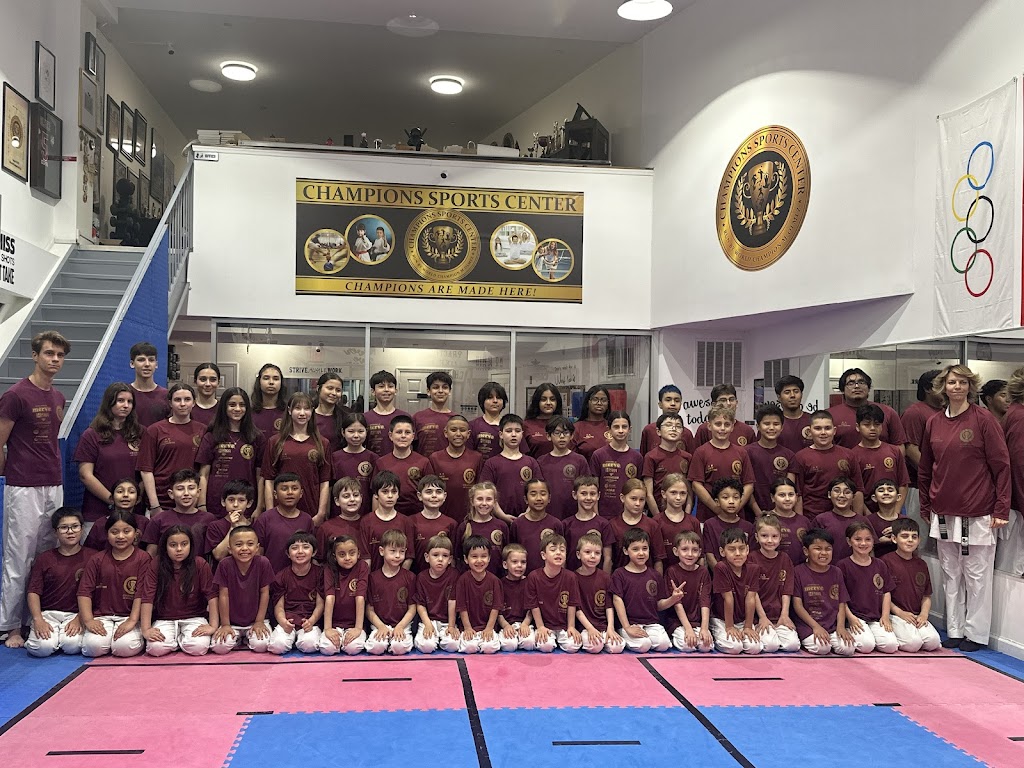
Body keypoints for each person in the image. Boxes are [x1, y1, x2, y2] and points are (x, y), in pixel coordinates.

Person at [918, 364, 1010, 652]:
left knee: (977, 575)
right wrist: (925, 504)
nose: (956, 387)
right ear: (943, 387)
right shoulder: (934, 422)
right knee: (951, 573)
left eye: (962, 382)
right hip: (943, 509)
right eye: (951, 382)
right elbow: (925, 468)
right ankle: (955, 629)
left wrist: (1001, 509)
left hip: (978, 510)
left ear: (970, 387)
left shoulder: (984, 420)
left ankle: (976, 634)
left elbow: (1002, 466)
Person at [0, 330, 69, 648]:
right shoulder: (15, 395)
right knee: (19, 558)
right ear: (35, 355)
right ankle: (10, 625)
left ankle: (35, 619)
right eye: (49, 353)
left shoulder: (58, 397)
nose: (55, 359)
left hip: (53, 483)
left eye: (60, 355)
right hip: (23, 486)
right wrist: (9, 475)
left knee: (46, 555)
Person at [24, 508, 97, 657]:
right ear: (55, 532)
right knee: (42, 648)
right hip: (49, 614)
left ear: (82, 529)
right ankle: (42, 637)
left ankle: (60, 639)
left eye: (75, 526)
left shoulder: (93, 557)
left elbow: (97, 593)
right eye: (64, 528)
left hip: (76, 614)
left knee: (72, 646)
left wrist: (80, 617)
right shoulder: (45, 558)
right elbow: (33, 591)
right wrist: (38, 619)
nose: (70, 531)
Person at [78, 509, 151, 657]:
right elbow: (84, 592)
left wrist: (132, 620)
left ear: (136, 533)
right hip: (102, 616)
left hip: (130, 616)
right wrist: (89, 620)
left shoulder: (143, 558)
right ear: (107, 534)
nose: (121, 536)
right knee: (93, 647)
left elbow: (141, 593)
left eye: (126, 531)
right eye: (114, 532)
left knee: (124, 648)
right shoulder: (97, 559)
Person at [138, 525, 218, 657]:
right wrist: (146, 629)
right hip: (165, 619)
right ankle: (176, 641)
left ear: (191, 545)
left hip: (194, 618)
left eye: (184, 544)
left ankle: (178, 641)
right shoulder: (156, 564)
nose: (179, 549)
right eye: (173, 545)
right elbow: (147, 597)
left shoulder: (200, 564)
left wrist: (213, 626)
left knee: (198, 648)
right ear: (165, 547)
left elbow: (212, 596)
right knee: (155, 648)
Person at [75, 382, 143, 535]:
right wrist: (113, 500)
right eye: (120, 401)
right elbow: (85, 475)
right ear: (109, 403)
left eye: (130, 401)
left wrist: (134, 499)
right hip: (98, 511)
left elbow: (146, 470)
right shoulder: (92, 434)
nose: (125, 405)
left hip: (133, 512)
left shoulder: (140, 433)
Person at [197, 387, 266, 519]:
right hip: (216, 502)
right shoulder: (212, 436)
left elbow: (260, 476)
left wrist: (259, 507)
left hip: (246, 502)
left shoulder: (256, 437)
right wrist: (202, 505)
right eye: (232, 405)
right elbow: (203, 475)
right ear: (224, 407)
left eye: (242, 405)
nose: (237, 409)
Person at [262, 392, 330, 524]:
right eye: (298, 408)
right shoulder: (275, 442)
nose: (302, 413)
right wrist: (270, 512)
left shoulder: (322, 443)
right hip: (280, 511)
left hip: (311, 509)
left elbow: (325, 481)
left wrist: (321, 513)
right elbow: (269, 480)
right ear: (289, 410)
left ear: (312, 411)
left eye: (306, 408)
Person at [137, 383, 205, 514]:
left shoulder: (202, 430)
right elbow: (146, 470)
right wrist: (155, 505)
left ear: (194, 403)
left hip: (192, 502)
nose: (182, 404)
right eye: (177, 400)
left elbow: (204, 471)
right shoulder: (154, 430)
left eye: (187, 399)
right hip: (161, 502)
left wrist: (201, 502)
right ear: (170, 403)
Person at [611, 527, 680, 653]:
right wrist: (627, 627)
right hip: (630, 623)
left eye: (644, 548)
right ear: (626, 551)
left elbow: (658, 605)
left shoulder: (655, 575)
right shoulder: (619, 574)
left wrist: (673, 599)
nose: (641, 553)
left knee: (663, 644)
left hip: (651, 623)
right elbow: (617, 600)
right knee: (644, 645)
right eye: (635, 549)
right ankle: (624, 634)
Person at [836, 521, 898, 654]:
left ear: (873, 541)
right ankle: (854, 632)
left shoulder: (880, 564)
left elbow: (886, 592)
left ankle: (873, 634)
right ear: (849, 541)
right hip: (855, 617)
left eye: (868, 539)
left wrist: (885, 616)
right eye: (858, 539)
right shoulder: (843, 566)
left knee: (891, 646)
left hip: (876, 616)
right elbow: (840, 598)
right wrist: (851, 618)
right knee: (866, 646)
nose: (863, 543)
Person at [880, 518, 942, 652]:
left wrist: (924, 615)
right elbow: (882, 595)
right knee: (913, 644)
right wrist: (900, 613)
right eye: (905, 536)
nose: (910, 540)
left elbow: (926, 595)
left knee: (933, 642)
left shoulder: (921, 564)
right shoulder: (885, 562)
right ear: (894, 539)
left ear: (919, 540)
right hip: (895, 614)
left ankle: (912, 631)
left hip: (916, 615)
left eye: (914, 537)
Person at [791, 529, 855, 656]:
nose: (824, 553)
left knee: (848, 649)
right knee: (822, 648)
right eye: (818, 548)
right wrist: (815, 627)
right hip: (808, 625)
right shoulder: (798, 571)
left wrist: (841, 627)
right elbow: (797, 605)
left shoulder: (836, 572)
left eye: (828, 549)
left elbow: (841, 603)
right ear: (806, 551)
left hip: (831, 624)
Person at [788, 410, 864, 518]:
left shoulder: (848, 455)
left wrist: (858, 520)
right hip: (812, 517)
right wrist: (801, 522)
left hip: (844, 517)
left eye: (827, 428)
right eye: (818, 428)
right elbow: (798, 494)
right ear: (810, 431)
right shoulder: (801, 457)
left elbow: (858, 490)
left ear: (834, 430)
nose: (823, 432)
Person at [211, 525, 274, 654]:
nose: (244, 548)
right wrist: (225, 624)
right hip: (232, 621)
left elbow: (265, 593)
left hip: (256, 620)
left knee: (261, 646)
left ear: (257, 547)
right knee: (219, 647)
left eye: (250, 544)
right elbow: (223, 595)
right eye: (238, 544)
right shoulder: (225, 564)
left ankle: (247, 638)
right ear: (230, 549)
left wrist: (259, 621)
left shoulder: (263, 563)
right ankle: (238, 638)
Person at [688, 404, 754, 523]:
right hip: (708, 515)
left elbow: (748, 484)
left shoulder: (741, 453)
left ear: (732, 427)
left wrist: (737, 507)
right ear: (709, 426)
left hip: (736, 515)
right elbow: (696, 485)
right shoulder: (701, 452)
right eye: (718, 424)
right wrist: (717, 509)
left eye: (727, 424)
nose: (722, 428)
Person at [747, 515, 800, 652]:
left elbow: (787, 590)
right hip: (758, 615)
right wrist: (762, 617)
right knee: (771, 646)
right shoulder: (751, 558)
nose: (770, 540)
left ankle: (777, 630)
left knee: (793, 645)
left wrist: (784, 615)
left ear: (780, 537)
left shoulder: (784, 558)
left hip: (779, 615)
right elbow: (752, 592)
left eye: (774, 536)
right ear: (756, 537)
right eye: (764, 536)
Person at [525, 534, 583, 653]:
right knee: (545, 646)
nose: (558, 553)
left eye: (562, 550)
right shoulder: (533, 577)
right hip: (545, 625)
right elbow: (533, 605)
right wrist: (540, 627)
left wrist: (571, 626)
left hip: (563, 626)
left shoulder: (571, 577)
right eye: (553, 550)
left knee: (573, 646)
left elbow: (572, 604)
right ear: (543, 555)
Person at [267, 531, 323, 655]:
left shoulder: (320, 574)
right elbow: (279, 606)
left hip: (310, 621)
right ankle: (292, 638)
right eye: (295, 548)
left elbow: (320, 604)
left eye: (306, 547)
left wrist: (312, 621)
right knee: (277, 647)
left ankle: (298, 639)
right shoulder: (281, 576)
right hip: (288, 620)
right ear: (288, 553)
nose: (300, 551)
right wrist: (283, 622)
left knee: (309, 645)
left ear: (314, 552)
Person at [710, 527, 763, 654]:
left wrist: (748, 626)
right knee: (735, 647)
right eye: (732, 549)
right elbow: (728, 599)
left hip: (742, 619)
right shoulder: (721, 567)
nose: (738, 553)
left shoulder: (753, 569)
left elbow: (751, 598)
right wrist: (729, 627)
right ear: (722, 552)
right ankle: (717, 636)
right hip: (722, 619)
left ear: (747, 550)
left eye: (742, 548)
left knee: (754, 648)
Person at [365, 530, 417, 655]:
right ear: (382, 551)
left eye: (402, 551)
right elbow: (369, 609)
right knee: (376, 648)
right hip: (379, 624)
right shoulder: (372, 578)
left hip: (402, 624)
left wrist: (400, 626)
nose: (398, 555)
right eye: (393, 551)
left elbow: (412, 608)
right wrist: (380, 626)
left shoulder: (410, 577)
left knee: (399, 648)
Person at [481, 414, 542, 521]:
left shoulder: (531, 462)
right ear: (501, 434)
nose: (513, 435)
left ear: (522, 434)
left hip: (528, 518)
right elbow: (486, 493)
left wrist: (527, 513)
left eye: (517, 431)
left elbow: (539, 491)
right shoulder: (491, 463)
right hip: (498, 519)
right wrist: (502, 516)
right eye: (509, 431)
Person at [852, 404, 909, 517]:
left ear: (882, 427)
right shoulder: (853, 455)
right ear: (858, 427)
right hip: (867, 514)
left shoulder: (894, 451)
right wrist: (868, 515)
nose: (872, 428)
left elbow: (903, 484)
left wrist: (896, 512)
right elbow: (856, 491)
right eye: (867, 425)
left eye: (877, 424)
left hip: (894, 512)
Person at [829, 368, 907, 451]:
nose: (857, 386)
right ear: (842, 389)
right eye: (851, 383)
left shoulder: (887, 412)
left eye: (861, 382)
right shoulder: (830, 415)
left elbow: (899, 446)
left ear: (869, 388)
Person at [144, 468, 216, 557]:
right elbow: (151, 554)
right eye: (180, 489)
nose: (186, 493)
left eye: (191, 488)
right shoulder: (159, 519)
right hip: (166, 565)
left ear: (198, 492)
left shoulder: (208, 519)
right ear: (171, 494)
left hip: (198, 565)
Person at [254, 473, 315, 573]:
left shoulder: (307, 520)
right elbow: (258, 554)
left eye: (294, 488)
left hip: (299, 576)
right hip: (271, 576)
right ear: (275, 494)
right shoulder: (264, 519)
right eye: (284, 489)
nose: (290, 492)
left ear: (301, 493)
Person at [373, 415, 433, 516]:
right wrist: (376, 519)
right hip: (389, 515)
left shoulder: (423, 462)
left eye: (407, 432)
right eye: (399, 432)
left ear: (413, 436)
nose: (403, 436)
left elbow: (430, 492)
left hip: (417, 515)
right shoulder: (381, 462)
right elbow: (376, 495)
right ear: (390, 435)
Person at [428, 414, 483, 523]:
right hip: (441, 517)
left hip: (469, 517)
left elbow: (480, 489)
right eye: (453, 430)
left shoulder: (477, 458)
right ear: (445, 433)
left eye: (462, 430)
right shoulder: (435, 458)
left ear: (468, 434)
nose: (458, 434)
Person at [574, 532, 623, 654]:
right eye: (588, 552)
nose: (592, 556)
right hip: (585, 626)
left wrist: (610, 628)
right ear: (578, 554)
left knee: (617, 647)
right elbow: (576, 609)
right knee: (595, 646)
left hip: (603, 625)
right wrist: (590, 628)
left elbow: (609, 606)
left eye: (597, 553)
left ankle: (605, 637)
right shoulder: (573, 578)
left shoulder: (605, 577)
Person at [318, 535, 368, 655]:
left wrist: (358, 628)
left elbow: (360, 597)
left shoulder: (362, 566)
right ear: (334, 556)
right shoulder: (329, 569)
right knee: (327, 649)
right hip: (335, 624)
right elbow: (329, 598)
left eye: (352, 553)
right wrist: (328, 629)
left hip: (354, 623)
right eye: (342, 554)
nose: (347, 558)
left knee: (353, 648)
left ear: (358, 554)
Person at [665, 531, 713, 653]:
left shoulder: (703, 572)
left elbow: (705, 601)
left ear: (700, 552)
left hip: (697, 622)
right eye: (685, 549)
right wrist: (688, 629)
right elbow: (677, 603)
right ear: (676, 551)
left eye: (694, 550)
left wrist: (704, 628)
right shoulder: (672, 571)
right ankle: (674, 637)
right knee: (688, 646)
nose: (690, 554)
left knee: (706, 646)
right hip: (678, 622)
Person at [454, 535, 503, 654]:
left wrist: (489, 628)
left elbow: (496, 607)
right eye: (474, 556)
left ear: (489, 558)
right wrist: (467, 628)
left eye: (483, 556)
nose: (479, 560)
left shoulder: (495, 581)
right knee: (469, 648)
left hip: (488, 627)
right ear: (466, 559)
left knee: (489, 648)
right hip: (468, 627)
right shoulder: (462, 580)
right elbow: (461, 607)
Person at [590, 411, 642, 519]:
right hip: (605, 513)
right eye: (616, 427)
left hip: (630, 514)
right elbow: (593, 488)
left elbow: (640, 488)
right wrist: (596, 515)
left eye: (624, 427)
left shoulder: (637, 457)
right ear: (609, 429)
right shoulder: (598, 455)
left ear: (630, 429)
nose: (621, 431)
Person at [536, 416, 590, 520]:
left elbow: (586, 488)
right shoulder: (541, 461)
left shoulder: (579, 460)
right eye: (557, 433)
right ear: (548, 436)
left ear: (571, 436)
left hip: (575, 515)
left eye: (565, 433)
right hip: (547, 514)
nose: (562, 436)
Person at [413, 535, 461, 653]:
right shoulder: (421, 577)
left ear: (450, 559)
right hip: (428, 620)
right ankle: (431, 639)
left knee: (453, 645)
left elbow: (452, 601)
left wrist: (451, 626)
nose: (440, 559)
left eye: (445, 556)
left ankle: (441, 639)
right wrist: (428, 624)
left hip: (447, 621)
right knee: (427, 647)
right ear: (427, 557)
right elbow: (420, 604)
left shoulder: (454, 575)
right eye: (435, 555)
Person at [358, 471, 414, 573]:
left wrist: (399, 577)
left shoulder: (406, 521)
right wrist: (369, 579)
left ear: (398, 494)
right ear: (376, 495)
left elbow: (409, 556)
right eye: (385, 492)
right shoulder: (366, 521)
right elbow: (366, 558)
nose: (390, 496)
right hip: (373, 577)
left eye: (394, 492)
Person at [746, 404, 795, 518]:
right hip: (751, 514)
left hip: (781, 515)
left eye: (776, 424)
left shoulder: (789, 455)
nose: (771, 428)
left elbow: (789, 488)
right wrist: (758, 512)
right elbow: (745, 485)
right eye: (766, 424)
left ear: (782, 427)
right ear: (758, 426)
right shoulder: (746, 452)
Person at [608, 479, 666, 572]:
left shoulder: (652, 525)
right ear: (622, 498)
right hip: (620, 579)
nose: (638, 503)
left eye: (641, 499)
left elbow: (658, 560)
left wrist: (657, 580)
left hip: (646, 578)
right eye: (633, 499)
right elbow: (609, 559)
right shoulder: (612, 525)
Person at [641, 413, 693, 516]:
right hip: (657, 514)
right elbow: (648, 493)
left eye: (678, 426)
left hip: (682, 514)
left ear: (682, 432)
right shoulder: (651, 457)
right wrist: (658, 518)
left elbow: (690, 492)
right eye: (668, 425)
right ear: (658, 431)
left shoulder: (687, 457)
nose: (673, 429)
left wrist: (687, 516)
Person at [83, 477, 151, 551]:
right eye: (120, 491)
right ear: (112, 498)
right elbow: (90, 551)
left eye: (131, 492)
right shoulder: (100, 524)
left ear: (138, 499)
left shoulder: (144, 522)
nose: (125, 495)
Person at [1000, 367, 1024, 577]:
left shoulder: (1014, 414)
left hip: (1014, 503)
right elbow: (1018, 465)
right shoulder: (1020, 417)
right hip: (1018, 506)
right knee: (1014, 571)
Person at [455, 482, 508, 576]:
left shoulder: (502, 526)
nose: (484, 503)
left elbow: (507, 556)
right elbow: (458, 557)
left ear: (494, 502)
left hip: (497, 579)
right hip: (470, 580)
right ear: (472, 501)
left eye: (489, 499)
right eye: (479, 499)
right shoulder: (464, 527)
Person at [331, 412, 377, 518]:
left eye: (360, 431)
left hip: (365, 514)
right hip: (338, 515)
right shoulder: (334, 457)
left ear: (366, 432)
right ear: (343, 432)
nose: (356, 435)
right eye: (351, 431)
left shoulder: (373, 458)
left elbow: (375, 492)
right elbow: (329, 488)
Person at [701, 478, 755, 569]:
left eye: (736, 497)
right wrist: (721, 574)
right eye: (725, 497)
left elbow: (751, 555)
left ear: (740, 500)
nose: (731, 501)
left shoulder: (748, 526)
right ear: (717, 502)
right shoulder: (710, 525)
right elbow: (710, 556)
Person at [562, 476, 613, 572]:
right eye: (583, 493)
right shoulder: (566, 524)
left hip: (597, 578)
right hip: (572, 576)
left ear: (598, 496)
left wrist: (605, 579)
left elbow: (608, 558)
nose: (588, 498)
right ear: (574, 495)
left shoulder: (604, 524)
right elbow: (563, 556)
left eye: (592, 494)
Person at [510, 479, 562, 573]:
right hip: (524, 576)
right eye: (533, 494)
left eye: (543, 494)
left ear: (549, 498)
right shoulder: (517, 524)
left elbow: (561, 554)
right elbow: (511, 554)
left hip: (551, 576)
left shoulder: (556, 524)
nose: (539, 498)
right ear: (526, 499)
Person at [408, 476, 457, 570]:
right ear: (419, 496)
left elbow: (453, 558)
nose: (434, 495)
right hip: (417, 575)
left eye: (438, 492)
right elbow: (409, 556)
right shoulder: (410, 521)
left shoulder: (451, 524)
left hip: (443, 575)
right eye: (429, 492)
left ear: (444, 496)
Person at [651, 474, 699, 568]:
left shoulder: (693, 522)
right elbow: (657, 558)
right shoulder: (656, 522)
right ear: (664, 494)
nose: (678, 497)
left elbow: (700, 556)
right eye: (673, 493)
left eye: (683, 493)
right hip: (665, 573)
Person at [810, 476, 859, 563]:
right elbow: (812, 547)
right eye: (837, 491)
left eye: (847, 492)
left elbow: (870, 551)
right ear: (829, 494)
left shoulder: (862, 521)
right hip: (827, 567)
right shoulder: (821, 519)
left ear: (854, 497)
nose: (842, 495)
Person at [497, 543, 535, 652]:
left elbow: (532, 608)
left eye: (523, 562)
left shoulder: (529, 582)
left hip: (525, 623)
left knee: (529, 643)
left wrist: (525, 624)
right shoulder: (499, 584)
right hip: (506, 624)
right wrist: (506, 626)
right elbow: (497, 611)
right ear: (505, 564)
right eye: (514, 562)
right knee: (509, 646)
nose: (519, 565)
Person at [206, 480, 256, 563]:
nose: (235, 505)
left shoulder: (254, 525)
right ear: (223, 502)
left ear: (249, 503)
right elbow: (218, 556)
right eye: (231, 500)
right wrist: (233, 527)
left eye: (241, 500)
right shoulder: (215, 526)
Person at [363, 370, 410, 456]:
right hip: (373, 463)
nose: (386, 390)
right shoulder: (365, 418)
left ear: (395, 390)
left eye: (390, 386)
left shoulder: (405, 417)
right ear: (373, 391)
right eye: (381, 386)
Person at [766, 477, 811, 565]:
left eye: (791, 494)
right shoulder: (765, 520)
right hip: (773, 568)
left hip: (800, 568)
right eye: (782, 495)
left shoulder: (804, 521)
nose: (787, 499)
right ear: (772, 497)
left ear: (796, 497)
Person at [640, 385, 695, 456]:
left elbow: (691, 459)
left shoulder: (687, 433)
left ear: (681, 404)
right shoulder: (649, 430)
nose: (673, 404)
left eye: (677, 401)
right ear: (660, 404)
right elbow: (643, 457)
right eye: (668, 400)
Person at [317, 478, 364, 561]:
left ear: (361, 498)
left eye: (356, 495)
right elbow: (318, 560)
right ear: (337, 501)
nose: (352, 499)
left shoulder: (368, 524)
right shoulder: (326, 528)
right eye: (346, 496)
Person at [129, 341, 170, 427]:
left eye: (151, 360)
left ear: (156, 364)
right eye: (141, 360)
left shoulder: (166, 395)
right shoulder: (125, 394)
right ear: (132, 364)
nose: (147, 364)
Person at [413, 371, 453, 456]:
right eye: (436, 387)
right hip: (423, 463)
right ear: (428, 391)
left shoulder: (456, 419)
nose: (440, 391)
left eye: (445, 387)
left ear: (450, 391)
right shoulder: (418, 417)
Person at [250, 363, 287, 443]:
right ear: (259, 382)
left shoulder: (288, 413)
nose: (271, 382)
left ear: (281, 383)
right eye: (266, 378)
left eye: (276, 379)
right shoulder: (249, 413)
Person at [469, 382, 507, 460]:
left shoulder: (509, 426)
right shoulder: (472, 426)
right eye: (490, 397)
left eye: (499, 397)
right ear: (482, 401)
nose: (495, 401)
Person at [775, 375, 812, 453]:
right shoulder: (772, 423)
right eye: (787, 392)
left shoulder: (813, 421)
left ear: (801, 394)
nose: (792, 395)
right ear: (779, 397)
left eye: (796, 391)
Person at [523, 383, 563, 457]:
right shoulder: (526, 425)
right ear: (537, 402)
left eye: (552, 399)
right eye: (543, 399)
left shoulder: (563, 425)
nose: (548, 403)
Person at [572, 385, 611, 460]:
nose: (599, 403)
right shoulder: (577, 428)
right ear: (587, 403)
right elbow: (571, 458)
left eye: (603, 400)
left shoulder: (613, 427)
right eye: (595, 399)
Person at [866, 479, 903, 558]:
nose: (886, 493)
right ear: (874, 498)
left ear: (898, 497)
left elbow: (914, 546)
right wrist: (878, 542)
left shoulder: (905, 521)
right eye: (881, 490)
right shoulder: (867, 521)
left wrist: (898, 533)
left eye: (890, 490)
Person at [313, 372, 346, 455]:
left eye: (338, 390)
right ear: (318, 388)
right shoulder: (307, 416)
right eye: (330, 388)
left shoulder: (345, 418)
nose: (334, 393)